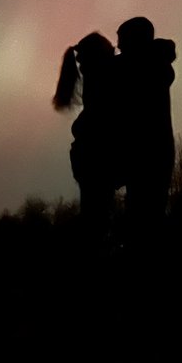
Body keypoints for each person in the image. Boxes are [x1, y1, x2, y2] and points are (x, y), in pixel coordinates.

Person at [52, 32, 119, 228]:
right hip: (96, 159)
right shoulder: (102, 77)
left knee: (93, 218)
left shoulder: (95, 75)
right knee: (96, 219)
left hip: (88, 159)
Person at [114, 17, 176, 231]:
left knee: (144, 219)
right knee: (145, 217)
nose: (118, 46)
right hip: (152, 153)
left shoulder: (146, 67)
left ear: (135, 40)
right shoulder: (153, 65)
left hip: (148, 154)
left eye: (122, 40)